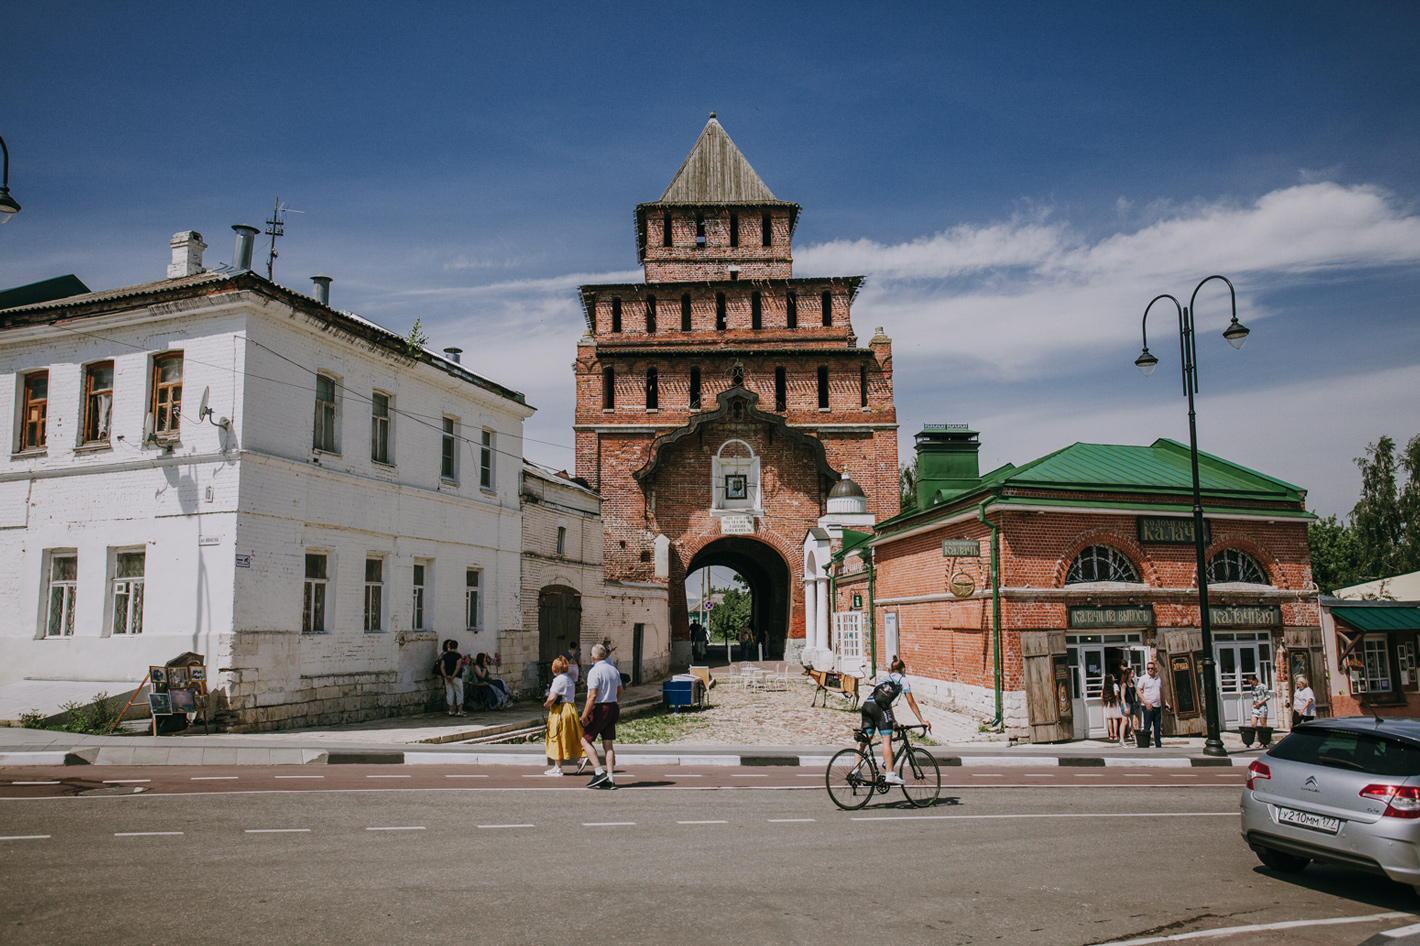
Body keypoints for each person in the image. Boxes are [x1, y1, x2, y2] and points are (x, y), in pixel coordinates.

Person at [855, 657, 932, 785]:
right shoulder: (903, 680)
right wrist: (922, 720)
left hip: (867, 706)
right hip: (879, 709)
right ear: (903, 669)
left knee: (866, 738)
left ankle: (856, 771)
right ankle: (890, 773)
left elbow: (885, 701)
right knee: (886, 739)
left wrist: (894, 722)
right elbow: (911, 702)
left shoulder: (884, 679)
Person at [580, 643, 623, 789]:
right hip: (612, 706)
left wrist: (584, 715)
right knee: (608, 742)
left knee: (585, 740)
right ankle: (610, 777)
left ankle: (599, 771)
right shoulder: (613, 670)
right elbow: (620, 690)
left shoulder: (594, 671)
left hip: (599, 707)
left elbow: (592, 696)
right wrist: (614, 699)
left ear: (592, 657)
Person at [543, 655, 583, 776]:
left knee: (555, 736)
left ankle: (557, 767)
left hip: (560, 710)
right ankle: (579, 758)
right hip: (571, 708)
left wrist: (546, 703)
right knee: (571, 735)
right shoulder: (569, 679)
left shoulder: (558, 680)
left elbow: (553, 697)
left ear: (557, 668)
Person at [1137, 658, 1170, 748]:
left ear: (1155, 669)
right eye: (1148, 669)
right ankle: (1145, 744)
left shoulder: (1158, 678)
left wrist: (1165, 702)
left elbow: (1160, 691)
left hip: (1157, 705)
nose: (1150, 670)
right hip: (1148, 705)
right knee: (1147, 726)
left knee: (1157, 726)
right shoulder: (1144, 678)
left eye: (1152, 668)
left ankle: (1158, 745)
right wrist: (1146, 702)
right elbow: (1138, 691)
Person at [437, 639, 466, 717]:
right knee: (459, 693)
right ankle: (459, 711)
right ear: (456, 647)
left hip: (448, 676)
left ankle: (451, 710)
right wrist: (453, 676)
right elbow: (458, 667)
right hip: (456, 677)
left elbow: (442, 667)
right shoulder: (457, 656)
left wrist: (446, 676)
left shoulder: (445, 656)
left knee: (450, 693)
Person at [1101, 672, 1123, 745]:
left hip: (1107, 703)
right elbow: (1116, 693)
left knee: (1109, 719)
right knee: (1115, 718)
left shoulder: (1104, 687)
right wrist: (1118, 699)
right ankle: (1116, 734)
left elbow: (1102, 695)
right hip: (1114, 702)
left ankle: (1111, 734)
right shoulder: (1115, 685)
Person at [1119, 665, 1138, 746]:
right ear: (1129, 674)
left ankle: (1136, 739)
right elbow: (1122, 696)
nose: (1133, 674)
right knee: (1125, 721)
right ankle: (1122, 739)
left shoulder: (1132, 682)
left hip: (1132, 703)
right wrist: (1125, 707)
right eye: (1132, 673)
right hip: (1126, 703)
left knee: (1135, 722)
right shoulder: (1124, 684)